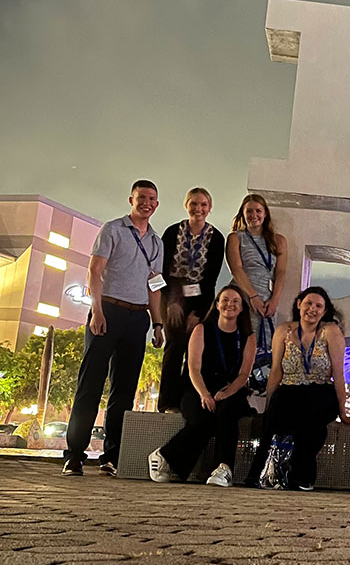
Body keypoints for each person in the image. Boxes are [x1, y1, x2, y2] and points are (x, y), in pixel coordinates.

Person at [62, 181, 165, 477]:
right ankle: (75, 455)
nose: (146, 203)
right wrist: (96, 310)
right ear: (131, 199)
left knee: (124, 391)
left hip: (137, 318)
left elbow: (154, 285)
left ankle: (112, 456)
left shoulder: (157, 242)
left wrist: (157, 325)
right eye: (141, 198)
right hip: (108, 311)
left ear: (157, 205)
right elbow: (94, 271)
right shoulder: (113, 229)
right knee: (90, 385)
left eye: (152, 199)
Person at [246, 286, 350, 490]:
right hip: (290, 389)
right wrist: (269, 405)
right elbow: (276, 372)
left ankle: (301, 476)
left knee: (311, 419)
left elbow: (339, 373)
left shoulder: (330, 332)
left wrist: (343, 412)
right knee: (273, 420)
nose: (312, 309)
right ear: (299, 304)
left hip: (320, 390)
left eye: (318, 306)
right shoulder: (284, 330)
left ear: (324, 312)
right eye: (308, 303)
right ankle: (259, 475)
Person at [147, 285, 256, 486]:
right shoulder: (202, 329)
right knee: (202, 419)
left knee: (227, 413)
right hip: (198, 386)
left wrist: (227, 392)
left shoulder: (247, 336)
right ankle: (164, 457)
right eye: (225, 300)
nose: (229, 305)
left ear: (242, 309)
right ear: (216, 305)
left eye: (235, 301)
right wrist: (205, 394)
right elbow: (193, 368)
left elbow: (244, 374)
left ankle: (223, 469)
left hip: (231, 389)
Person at [157, 187, 226, 412]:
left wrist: (198, 314)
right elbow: (163, 269)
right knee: (174, 348)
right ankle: (167, 403)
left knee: (194, 352)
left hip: (200, 301)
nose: (199, 209)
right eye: (194, 204)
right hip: (172, 299)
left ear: (210, 208)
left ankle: (188, 401)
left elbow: (211, 279)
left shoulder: (216, 238)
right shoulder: (172, 232)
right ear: (186, 205)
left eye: (203, 205)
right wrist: (173, 301)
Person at [225, 194, 287, 386]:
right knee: (238, 345)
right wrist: (252, 296)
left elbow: (281, 272)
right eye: (249, 211)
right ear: (243, 214)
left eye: (258, 211)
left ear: (265, 213)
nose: (254, 215)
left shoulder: (278, 240)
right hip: (241, 297)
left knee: (265, 348)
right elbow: (236, 269)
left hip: (266, 301)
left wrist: (274, 299)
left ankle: (256, 388)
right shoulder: (236, 238)